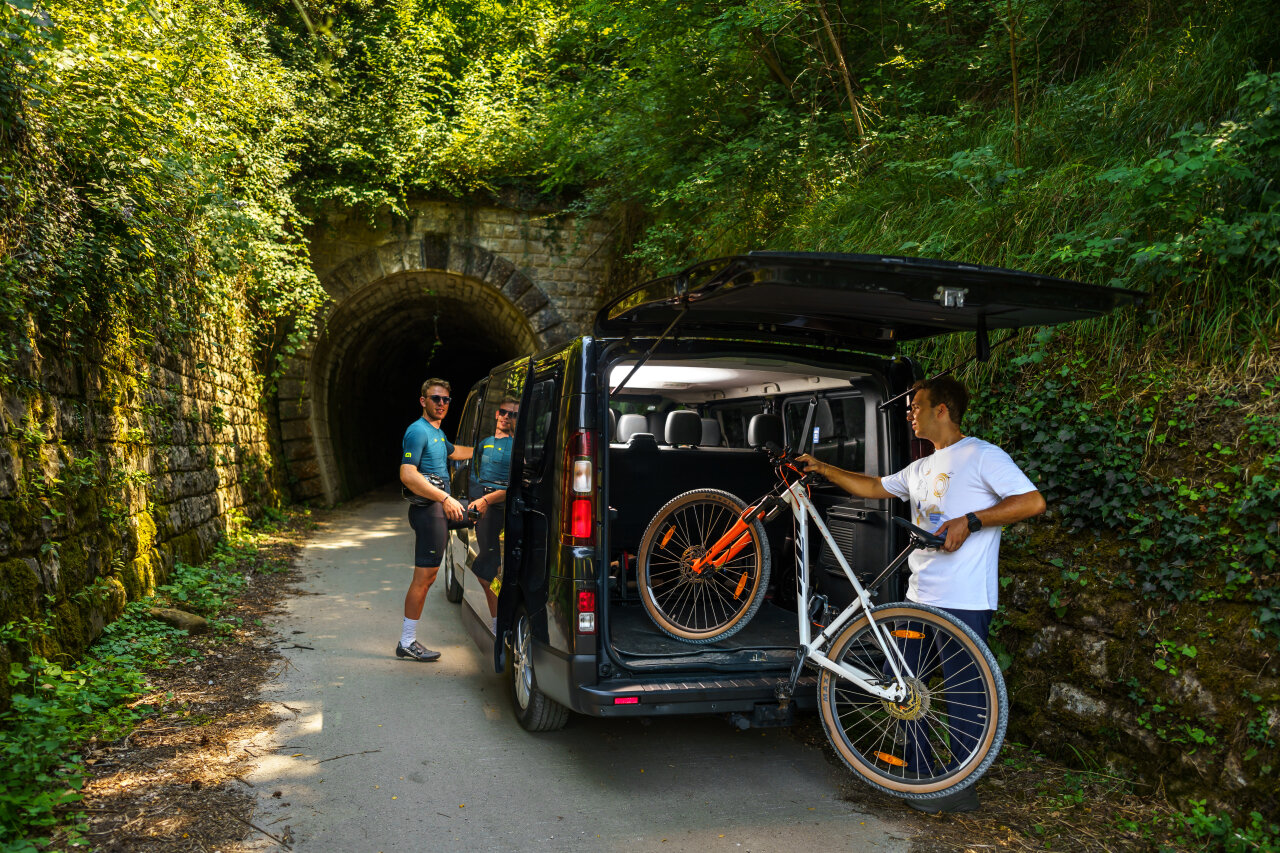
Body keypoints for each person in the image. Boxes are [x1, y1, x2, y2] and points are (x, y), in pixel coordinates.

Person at [797, 375, 1045, 813]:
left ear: (942, 410)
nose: (909, 414)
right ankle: (921, 779)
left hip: (964, 600)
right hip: (918, 598)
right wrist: (822, 468)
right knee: (906, 692)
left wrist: (972, 520)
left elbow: (1031, 502)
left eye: (916, 407)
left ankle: (959, 788)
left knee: (966, 696)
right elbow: (874, 487)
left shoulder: (983, 455)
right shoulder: (921, 467)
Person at [397, 378, 472, 662]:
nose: (441, 404)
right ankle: (406, 642)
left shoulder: (438, 434)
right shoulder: (417, 432)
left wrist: (493, 448)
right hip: (429, 511)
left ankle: (488, 576)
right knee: (425, 578)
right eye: (435, 398)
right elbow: (408, 474)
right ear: (423, 400)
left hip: (440, 510)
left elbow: (456, 452)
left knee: (482, 511)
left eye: (445, 400)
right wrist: (444, 497)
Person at [469, 397, 519, 632]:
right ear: (496, 415)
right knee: (487, 570)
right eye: (504, 412)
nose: (507, 417)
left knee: (500, 567)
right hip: (483, 504)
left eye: (513, 414)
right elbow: (474, 474)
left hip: (506, 503)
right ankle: (499, 620)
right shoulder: (484, 443)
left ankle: (501, 622)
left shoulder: (519, 446)